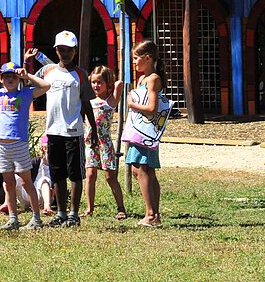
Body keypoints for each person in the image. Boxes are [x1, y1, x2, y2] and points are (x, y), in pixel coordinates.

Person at [0, 60, 51, 230]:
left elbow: (46, 86)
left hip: (19, 143)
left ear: (18, 78)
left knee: (26, 181)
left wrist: (27, 75)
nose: (10, 79)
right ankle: (13, 218)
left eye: (13, 76)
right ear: (1, 79)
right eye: (6, 76)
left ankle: (36, 218)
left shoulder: (26, 93)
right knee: (8, 182)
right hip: (2, 145)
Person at [36, 31, 98, 228]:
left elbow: (86, 103)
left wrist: (93, 129)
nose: (65, 53)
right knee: (57, 173)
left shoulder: (80, 74)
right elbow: (29, 85)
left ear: (75, 51)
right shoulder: (47, 72)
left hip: (73, 131)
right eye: (61, 50)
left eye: (69, 50)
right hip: (53, 132)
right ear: (56, 50)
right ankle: (61, 212)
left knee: (75, 174)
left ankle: (74, 213)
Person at [125, 40, 168, 228]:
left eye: (136, 58)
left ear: (147, 58)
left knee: (141, 169)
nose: (134, 62)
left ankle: (151, 214)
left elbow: (151, 108)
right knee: (144, 170)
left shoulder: (153, 80)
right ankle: (153, 213)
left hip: (145, 131)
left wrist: (131, 104)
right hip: (138, 129)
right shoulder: (142, 79)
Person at [82, 64, 126, 219]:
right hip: (90, 143)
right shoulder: (89, 101)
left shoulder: (110, 101)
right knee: (90, 174)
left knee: (110, 176)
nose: (96, 85)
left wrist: (110, 82)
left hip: (104, 143)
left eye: (100, 82)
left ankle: (121, 208)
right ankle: (89, 208)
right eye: (93, 82)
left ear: (107, 84)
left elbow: (120, 84)